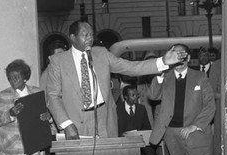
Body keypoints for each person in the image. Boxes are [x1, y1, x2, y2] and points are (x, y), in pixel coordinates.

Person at [46, 20, 186, 139]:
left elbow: (131, 67)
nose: (90, 38)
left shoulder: (101, 53)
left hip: (104, 119)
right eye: (85, 35)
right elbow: (52, 96)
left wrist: (163, 62)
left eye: (91, 34)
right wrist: (65, 123)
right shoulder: (58, 61)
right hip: (75, 123)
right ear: (73, 37)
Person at [148, 44, 220, 155]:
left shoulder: (200, 77)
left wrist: (195, 125)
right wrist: (159, 75)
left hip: (196, 133)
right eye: (175, 54)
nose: (179, 58)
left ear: (188, 58)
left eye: (182, 55)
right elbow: (153, 96)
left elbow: (210, 105)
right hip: (172, 133)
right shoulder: (164, 77)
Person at [39, 40, 67, 155]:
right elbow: (44, 100)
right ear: (50, 57)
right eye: (57, 55)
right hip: (53, 127)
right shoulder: (47, 74)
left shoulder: (63, 71)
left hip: (65, 124)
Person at [194, 47, 222, 155]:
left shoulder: (216, 68)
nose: (204, 58)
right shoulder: (192, 71)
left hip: (216, 113)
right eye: (202, 55)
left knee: (215, 145)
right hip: (199, 113)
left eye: (207, 55)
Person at [116, 85, 156, 155]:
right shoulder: (117, 109)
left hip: (140, 140)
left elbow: (147, 127)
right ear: (125, 97)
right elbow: (116, 129)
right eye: (132, 95)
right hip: (124, 142)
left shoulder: (141, 108)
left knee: (150, 150)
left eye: (136, 95)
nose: (136, 98)